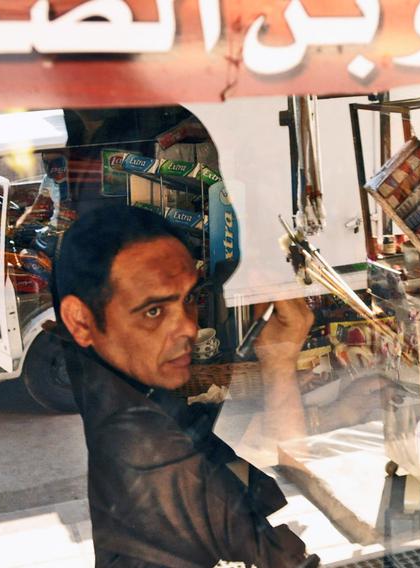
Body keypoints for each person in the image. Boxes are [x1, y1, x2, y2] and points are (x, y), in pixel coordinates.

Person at [51, 204, 319, 568]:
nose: (189, 328)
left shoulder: (120, 384)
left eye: (189, 299)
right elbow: (284, 538)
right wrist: (279, 363)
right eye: (154, 311)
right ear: (80, 321)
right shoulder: (147, 448)